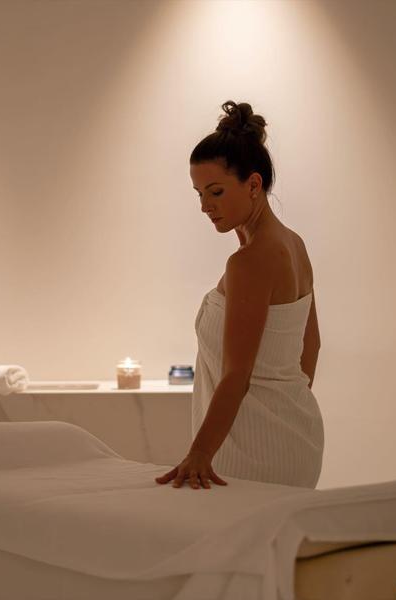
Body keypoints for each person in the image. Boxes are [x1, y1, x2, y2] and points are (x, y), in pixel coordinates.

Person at [155, 100, 324, 491]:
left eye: (215, 191)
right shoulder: (293, 244)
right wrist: (283, 405)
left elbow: (236, 375)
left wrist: (199, 454)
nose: (204, 206)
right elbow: (311, 346)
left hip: (252, 448)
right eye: (198, 193)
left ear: (253, 184)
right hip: (293, 435)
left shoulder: (249, 262)